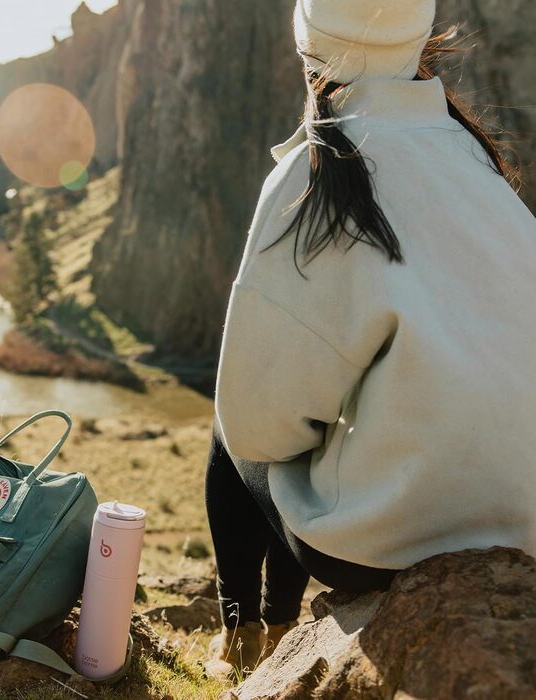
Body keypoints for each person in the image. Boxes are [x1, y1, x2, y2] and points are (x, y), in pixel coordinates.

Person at [205, 0, 535, 682]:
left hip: (393, 541)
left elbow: (257, 427)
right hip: (526, 526)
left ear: (308, 57)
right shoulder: (481, 168)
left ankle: (247, 639)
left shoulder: (315, 178)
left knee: (228, 427)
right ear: (424, 45)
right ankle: (271, 628)